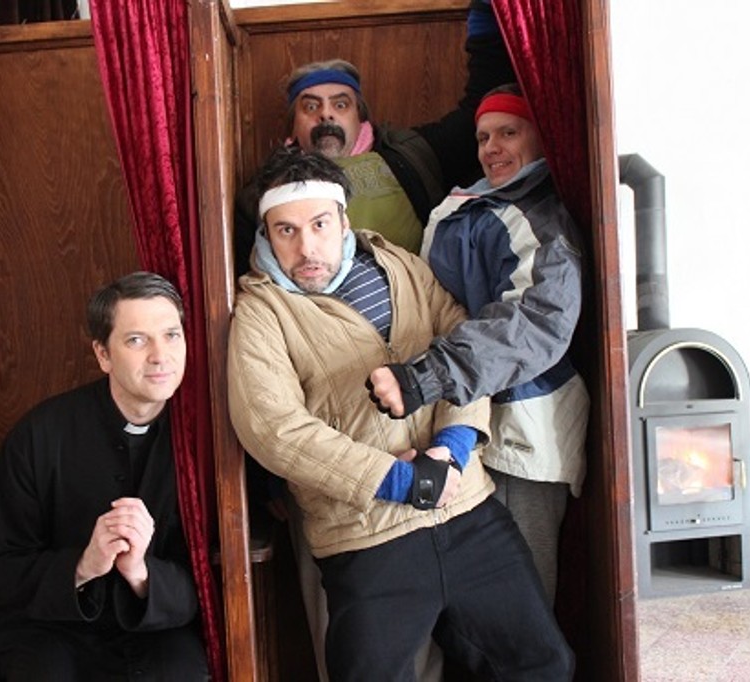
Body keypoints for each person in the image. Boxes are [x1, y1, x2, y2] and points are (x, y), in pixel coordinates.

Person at [228, 146, 574, 681]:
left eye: (319, 224)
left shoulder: (401, 266)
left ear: (344, 220)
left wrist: (454, 447)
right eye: (286, 231)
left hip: (465, 507)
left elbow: (463, 349)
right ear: (266, 235)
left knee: (542, 664)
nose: (306, 246)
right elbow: (274, 428)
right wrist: (393, 479)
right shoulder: (261, 311)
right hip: (367, 534)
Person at [365, 83, 590, 603]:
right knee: (474, 597)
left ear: (540, 139)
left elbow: (536, 322)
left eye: (508, 133)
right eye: (484, 137)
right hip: (465, 418)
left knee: (519, 598)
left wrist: (428, 377)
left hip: (520, 424)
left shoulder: (539, 218)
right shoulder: (477, 202)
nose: (492, 148)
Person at [0, 271, 209, 681]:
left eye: (172, 335)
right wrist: (84, 565)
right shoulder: (39, 435)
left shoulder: (205, 440)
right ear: (103, 354)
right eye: (136, 340)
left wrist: (141, 573)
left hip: (157, 627)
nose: (160, 356)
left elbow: (213, 573)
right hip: (50, 628)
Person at [233, 0, 516, 273]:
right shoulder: (261, 193)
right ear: (292, 126)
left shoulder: (412, 153)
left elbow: (482, 107)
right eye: (310, 106)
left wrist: (486, 12)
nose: (326, 114)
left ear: (360, 117)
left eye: (340, 104)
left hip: (420, 297)